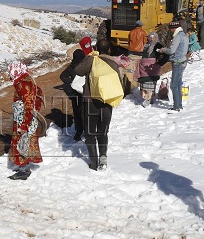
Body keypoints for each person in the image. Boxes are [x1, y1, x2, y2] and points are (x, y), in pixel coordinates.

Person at [74, 40, 121, 171]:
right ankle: (103, 159)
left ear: (96, 48)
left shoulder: (92, 60)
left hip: (90, 101)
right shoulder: (113, 63)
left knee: (90, 133)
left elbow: (77, 70)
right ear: (109, 50)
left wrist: (89, 56)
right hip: (107, 102)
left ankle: (93, 162)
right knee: (103, 132)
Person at [8, 61, 44, 180]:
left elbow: (28, 104)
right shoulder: (27, 80)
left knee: (22, 141)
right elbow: (38, 95)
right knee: (25, 142)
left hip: (24, 118)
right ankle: (24, 166)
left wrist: (24, 124)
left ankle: (24, 170)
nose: (10, 73)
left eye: (12, 71)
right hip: (25, 117)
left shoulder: (22, 84)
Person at [159, 21, 188, 112]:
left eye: (171, 29)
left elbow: (171, 50)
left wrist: (163, 50)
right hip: (182, 61)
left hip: (178, 62)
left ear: (173, 28)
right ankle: (179, 104)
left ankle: (177, 106)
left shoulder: (177, 37)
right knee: (178, 84)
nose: (170, 31)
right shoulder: (184, 35)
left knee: (174, 85)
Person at [59, 49, 86, 142]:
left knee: (77, 113)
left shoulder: (72, 66)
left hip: (75, 94)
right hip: (86, 93)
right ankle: (87, 132)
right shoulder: (86, 65)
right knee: (86, 112)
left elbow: (62, 76)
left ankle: (78, 132)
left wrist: (72, 83)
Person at [135, 32, 162, 107]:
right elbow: (143, 55)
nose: (151, 39)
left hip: (153, 67)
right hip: (144, 67)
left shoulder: (158, 46)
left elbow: (160, 56)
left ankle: (150, 98)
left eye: (153, 37)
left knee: (151, 82)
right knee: (145, 83)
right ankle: (147, 97)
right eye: (150, 37)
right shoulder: (146, 45)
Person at [126, 20, 148, 91]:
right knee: (139, 70)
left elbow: (129, 42)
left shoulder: (131, 32)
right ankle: (137, 85)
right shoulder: (143, 33)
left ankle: (130, 85)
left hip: (131, 52)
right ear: (141, 25)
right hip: (140, 53)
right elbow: (145, 43)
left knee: (130, 70)